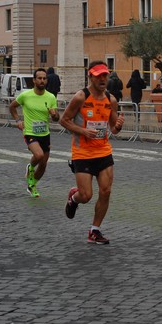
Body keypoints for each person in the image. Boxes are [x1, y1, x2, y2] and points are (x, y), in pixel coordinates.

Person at [60, 61, 125, 244]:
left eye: (105, 75)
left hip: (103, 151)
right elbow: (64, 120)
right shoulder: (81, 97)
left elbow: (113, 128)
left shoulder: (111, 100)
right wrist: (83, 131)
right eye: (99, 76)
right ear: (90, 77)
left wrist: (118, 126)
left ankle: (94, 230)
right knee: (86, 195)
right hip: (83, 152)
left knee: (106, 191)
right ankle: (74, 197)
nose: (103, 79)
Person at [9, 68, 60, 197]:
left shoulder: (51, 97)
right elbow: (12, 106)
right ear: (34, 80)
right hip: (30, 132)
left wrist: (54, 115)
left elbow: (56, 118)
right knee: (39, 156)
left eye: (44, 78)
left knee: (43, 165)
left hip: (45, 134)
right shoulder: (25, 95)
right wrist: (18, 121)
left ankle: (32, 185)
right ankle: (30, 167)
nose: (42, 81)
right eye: (39, 78)